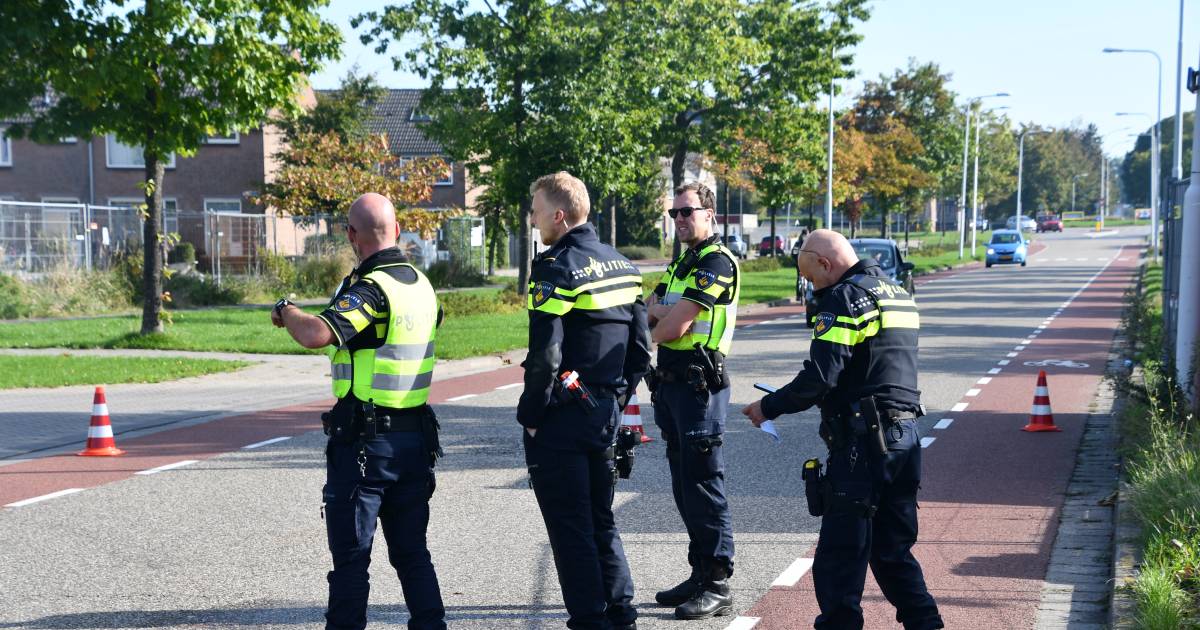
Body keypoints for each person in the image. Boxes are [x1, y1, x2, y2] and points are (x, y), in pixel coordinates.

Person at [741, 229, 943, 630]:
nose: (813, 287)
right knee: (891, 551)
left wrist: (768, 406)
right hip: (904, 441)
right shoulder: (897, 293)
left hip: (862, 445)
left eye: (812, 278)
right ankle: (927, 625)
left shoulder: (846, 299)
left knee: (838, 556)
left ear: (824, 262)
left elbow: (820, 376)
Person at [271, 192, 447, 630]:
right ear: (398, 231)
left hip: (368, 446)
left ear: (351, 235)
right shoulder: (422, 286)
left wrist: (286, 310)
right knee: (412, 554)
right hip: (414, 440)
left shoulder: (372, 289)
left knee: (351, 560)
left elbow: (316, 333)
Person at [518, 171, 651, 630]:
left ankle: (591, 621)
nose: (533, 221)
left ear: (558, 214)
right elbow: (641, 353)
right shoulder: (624, 265)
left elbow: (545, 355)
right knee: (600, 518)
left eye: (536, 212)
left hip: (562, 419)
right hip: (605, 413)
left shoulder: (554, 266)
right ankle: (621, 612)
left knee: (570, 528)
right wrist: (615, 398)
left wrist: (532, 415)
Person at [645, 181, 740, 620]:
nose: (680, 219)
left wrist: (667, 313)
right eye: (675, 213)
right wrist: (667, 312)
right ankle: (700, 573)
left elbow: (668, 328)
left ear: (710, 214)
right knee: (684, 484)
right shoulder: (682, 261)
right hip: (670, 385)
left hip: (700, 387)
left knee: (703, 483)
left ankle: (719, 582)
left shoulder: (716, 262)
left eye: (688, 211)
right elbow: (649, 310)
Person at [795, 228, 810, 303]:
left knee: (798, 278)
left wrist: (795, 261)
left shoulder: (797, 243)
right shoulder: (809, 243)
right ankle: (809, 295)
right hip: (807, 264)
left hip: (798, 263)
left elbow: (793, 253)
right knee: (809, 278)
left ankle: (798, 295)